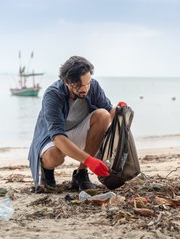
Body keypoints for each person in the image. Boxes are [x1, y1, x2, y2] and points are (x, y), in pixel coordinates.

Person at [28, 56, 123, 192]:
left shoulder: (92, 86)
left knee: (103, 115)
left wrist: (120, 111)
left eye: (87, 83)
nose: (85, 89)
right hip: (51, 138)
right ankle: (47, 171)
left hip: (76, 132)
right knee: (56, 156)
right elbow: (58, 137)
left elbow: (109, 113)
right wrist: (90, 161)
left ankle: (81, 174)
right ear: (67, 82)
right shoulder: (53, 95)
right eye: (80, 85)